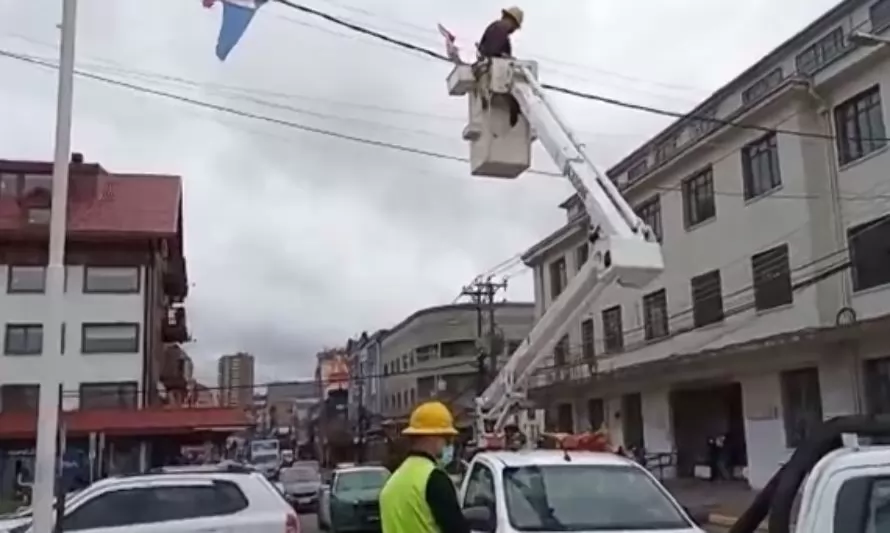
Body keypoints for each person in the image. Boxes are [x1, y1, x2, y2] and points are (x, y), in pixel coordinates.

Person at [379, 401, 470, 533]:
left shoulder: (390, 487)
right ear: (432, 437)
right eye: (447, 438)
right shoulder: (434, 479)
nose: (449, 444)